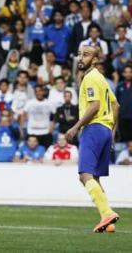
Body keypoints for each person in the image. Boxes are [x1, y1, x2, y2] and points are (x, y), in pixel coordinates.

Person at [65, 46, 120, 232]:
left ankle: (106, 213)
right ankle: (107, 219)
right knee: (94, 177)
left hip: (93, 129)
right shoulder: (101, 79)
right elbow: (116, 105)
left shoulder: (90, 78)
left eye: (86, 55)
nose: (81, 57)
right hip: (104, 130)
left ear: (95, 60)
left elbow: (95, 105)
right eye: (80, 54)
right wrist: (111, 133)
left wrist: (75, 126)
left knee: (84, 174)